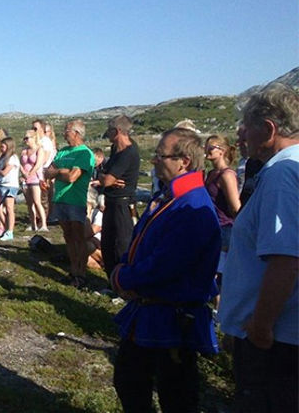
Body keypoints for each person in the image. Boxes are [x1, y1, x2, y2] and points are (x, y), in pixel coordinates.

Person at [110, 127, 221, 413]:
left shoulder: (193, 204)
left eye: (160, 155)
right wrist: (124, 264)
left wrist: (123, 276)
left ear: (183, 161)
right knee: (129, 382)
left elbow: (168, 263)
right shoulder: (170, 196)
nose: (155, 161)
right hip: (150, 310)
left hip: (172, 316)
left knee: (176, 397)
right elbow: (141, 237)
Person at [218, 83, 298, 413]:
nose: (241, 135)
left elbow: (286, 258)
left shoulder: (282, 174)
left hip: (276, 336)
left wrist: (262, 325)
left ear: (268, 129)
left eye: (247, 126)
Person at [44, 119, 95, 288]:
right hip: (60, 199)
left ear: (76, 133)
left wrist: (58, 172)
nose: (64, 134)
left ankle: (81, 274)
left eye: (67, 131)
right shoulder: (63, 151)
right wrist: (60, 172)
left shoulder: (85, 153)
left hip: (75, 201)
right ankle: (73, 270)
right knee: (68, 236)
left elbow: (73, 176)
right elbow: (47, 171)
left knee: (79, 238)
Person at [96, 115, 141, 285]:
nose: (107, 134)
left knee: (122, 244)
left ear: (117, 131)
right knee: (107, 243)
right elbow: (105, 176)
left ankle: (126, 286)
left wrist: (107, 179)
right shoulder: (116, 150)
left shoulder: (129, 152)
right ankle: (112, 282)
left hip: (123, 203)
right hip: (111, 201)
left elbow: (107, 179)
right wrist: (106, 178)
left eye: (109, 131)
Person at [204, 134, 241, 285]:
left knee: (220, 272)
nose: (207, 150)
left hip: (225, 227)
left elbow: (234, 206)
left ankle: (220, 306)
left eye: (211, 147)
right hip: (213, 225)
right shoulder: (211, 174)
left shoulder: (227, 175)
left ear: (222, 151)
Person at [0, 137, 21, 241]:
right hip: (2, 185)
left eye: (3, 146)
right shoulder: (2, 158)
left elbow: (5, 172)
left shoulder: (12, 158)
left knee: (9, 208)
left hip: (10, 185)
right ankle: (5, 226)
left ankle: (10, 231)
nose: (1, 148)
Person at [20, 130, 48, 232]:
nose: (25, 140)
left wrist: (30, 173)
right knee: (29, 203)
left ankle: (44, 224)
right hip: (25, 178)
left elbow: (38, 164)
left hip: (35, 177)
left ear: (34, 138)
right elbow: (21, 164)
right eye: (25, 138)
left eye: (27, 138)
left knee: (37, 202)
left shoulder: (39, 150)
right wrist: (23, 173)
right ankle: (33, 224)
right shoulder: (23, 151)